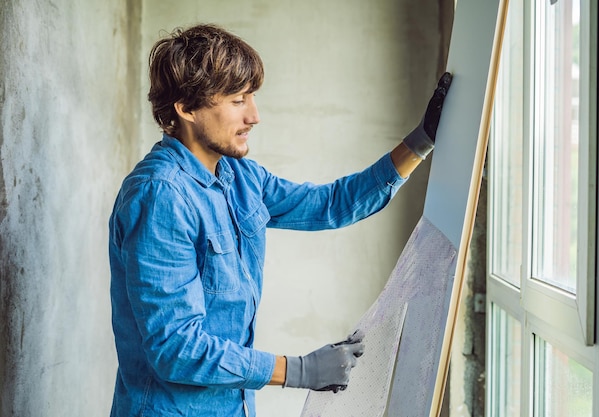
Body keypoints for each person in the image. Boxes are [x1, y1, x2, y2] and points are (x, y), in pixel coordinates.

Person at [108, 23, 452, 417]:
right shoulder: (160, 196)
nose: (254, 115)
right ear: (186, 108)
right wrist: (299, 370)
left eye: (251, 96)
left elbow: (331, 205)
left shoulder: (240, 177)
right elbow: (176, 349)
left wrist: (421, 141)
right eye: (238, 100)